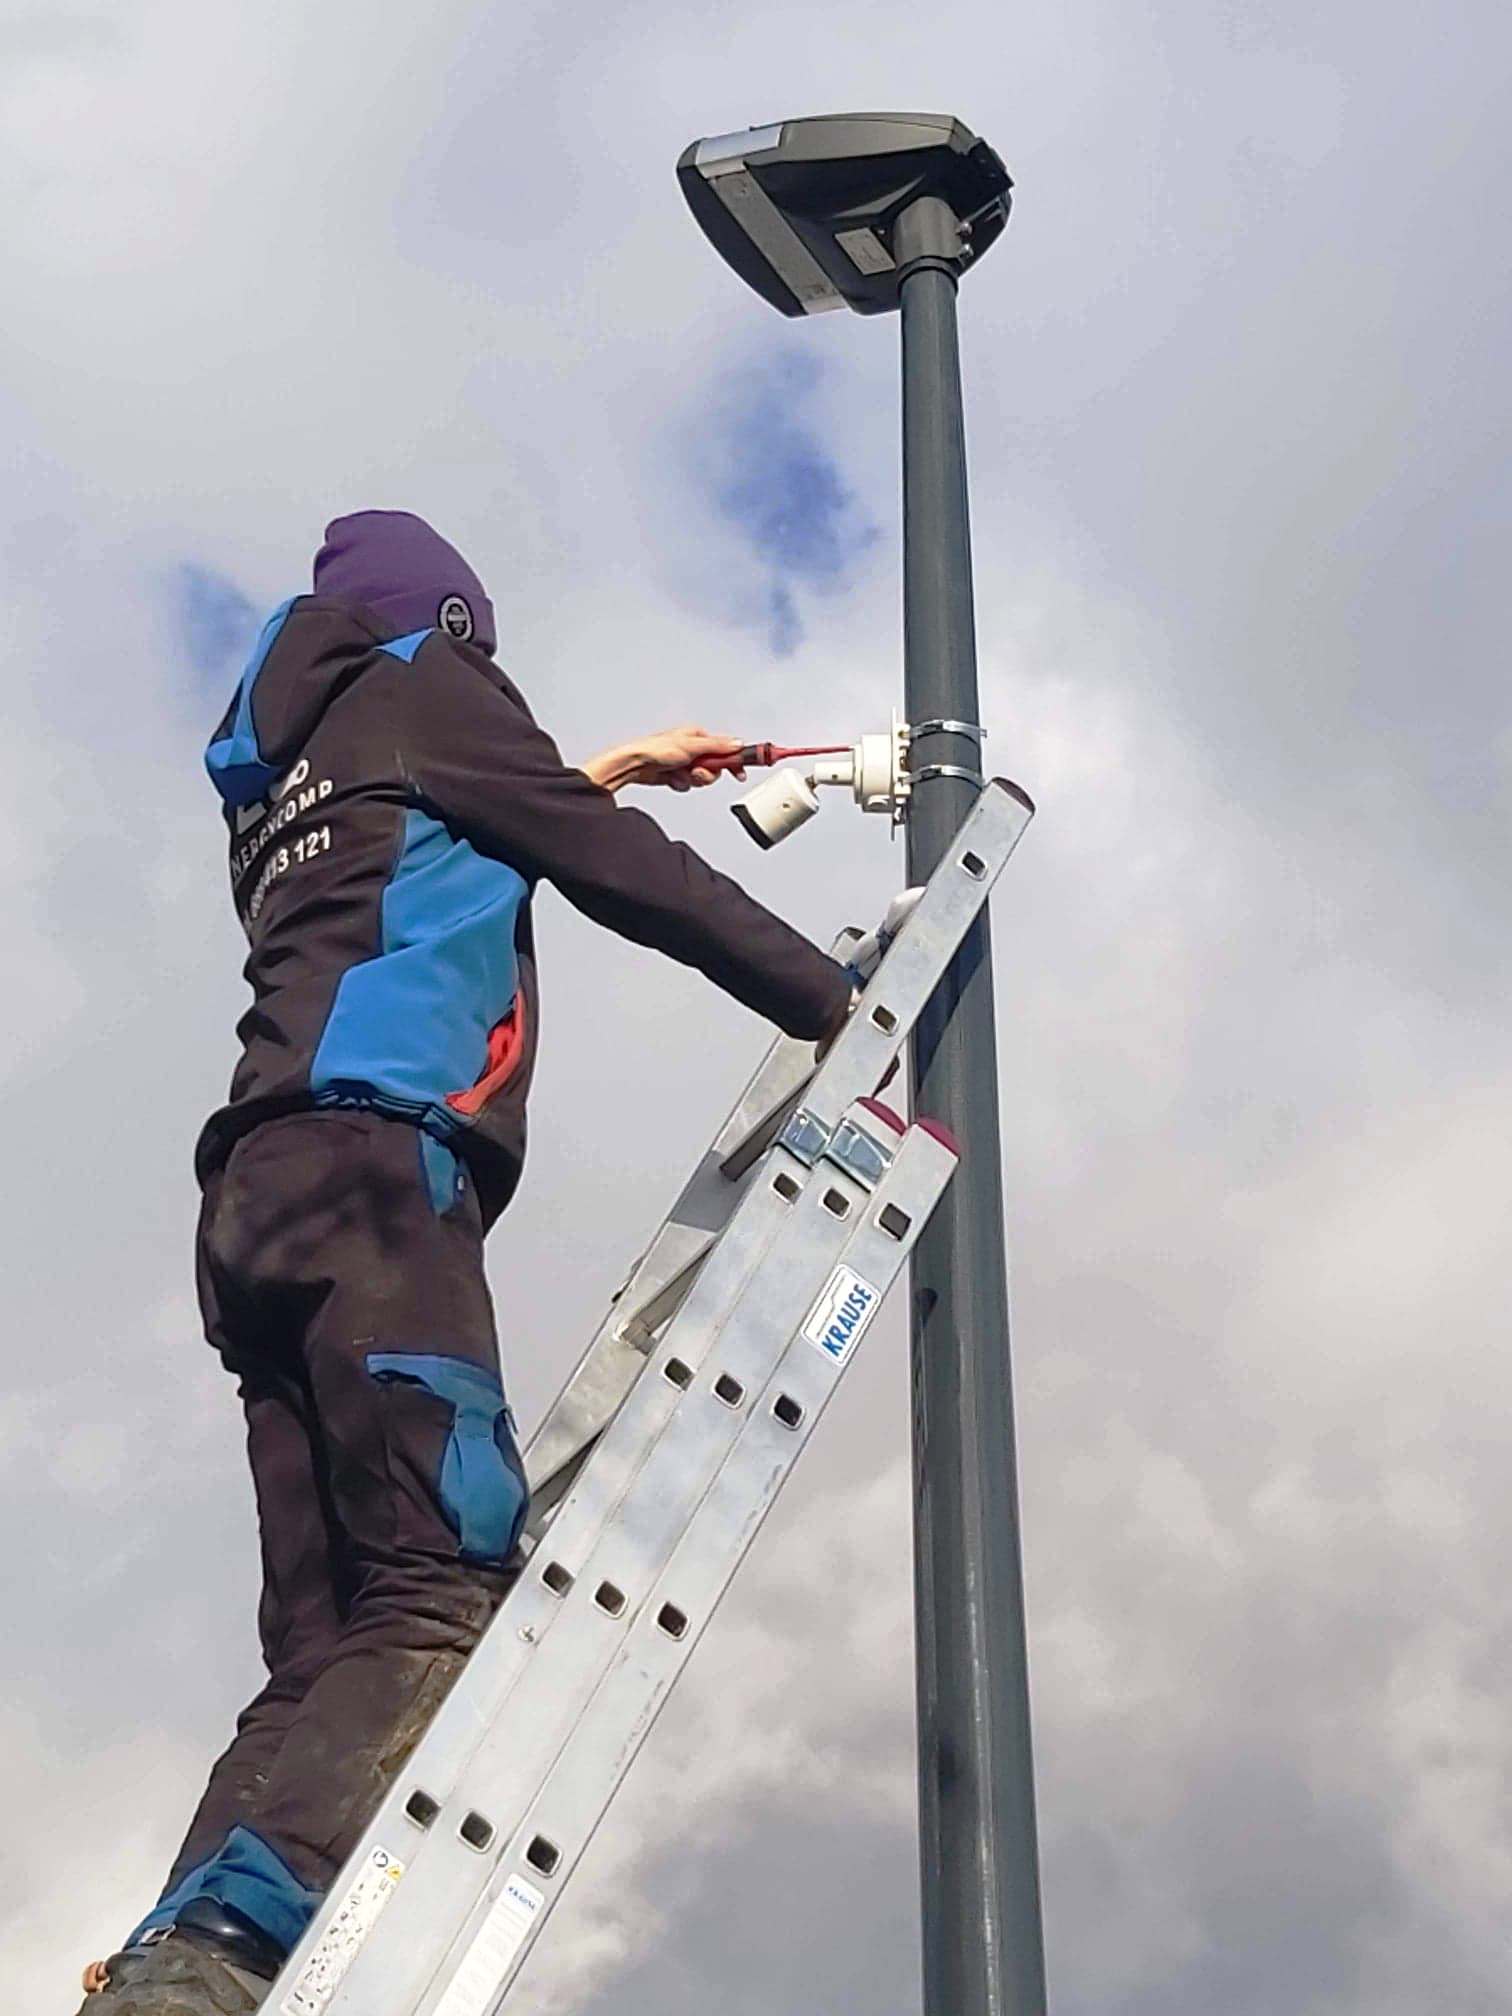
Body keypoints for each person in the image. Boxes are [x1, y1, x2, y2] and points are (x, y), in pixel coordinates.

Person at [81, 510, 854, 2015]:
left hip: (256, 1195)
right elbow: (612, 866)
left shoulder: (297, 751)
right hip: (376, 1176)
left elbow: (450, 824)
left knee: (323, 1648)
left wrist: (613, 763)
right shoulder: (434, 680)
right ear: (445, 623)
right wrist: (827, 994)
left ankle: (176, 1968)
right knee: (441, 1590)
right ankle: (233, 1953)